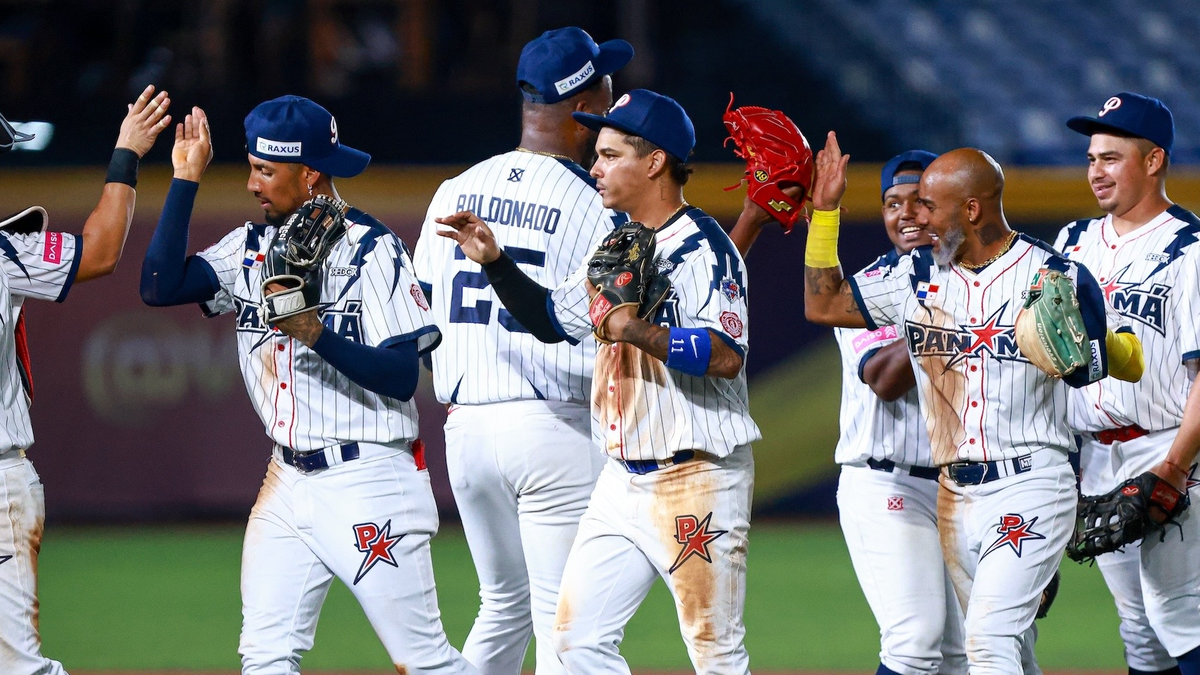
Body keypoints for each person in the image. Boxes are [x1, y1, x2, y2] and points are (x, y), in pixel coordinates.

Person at [138, 97, 476, 675]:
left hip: (369, 478)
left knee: (425, 663)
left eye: (266, 171)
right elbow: (158, 284)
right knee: (265, 657)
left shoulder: (372, 248)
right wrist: (185, 179)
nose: (251, 184)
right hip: (287, 480)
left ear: (310, 173)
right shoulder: (251, 249)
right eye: (250, 167)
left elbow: (400, 376)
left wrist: (314, 332)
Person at [436, 89, 758, 674]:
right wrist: (495, 262)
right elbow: (551, 321)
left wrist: (634, 331)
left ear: (655, 161)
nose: (595, 166)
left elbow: (724, 354)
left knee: (715, 655)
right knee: (575, 642)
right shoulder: (619, 245)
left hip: (696, 475)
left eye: (610, 154)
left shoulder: (705, 246)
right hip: (621, 482)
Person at [801, 141, 1141, 674]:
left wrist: (1108, 354)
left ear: (972, 209)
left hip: (1031, 480)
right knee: (998, 651)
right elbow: (823, 304)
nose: (919, 218)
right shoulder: (918, 275)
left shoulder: (1054, 276)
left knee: (988, 641)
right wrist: (823, 216)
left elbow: (1102, 365)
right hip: (954, 493)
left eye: (931, 205)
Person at [410, 27, 631, 675]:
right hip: (552, 426)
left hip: (467, 431)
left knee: (504, 605)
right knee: (570, 623)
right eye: (606, 83)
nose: (616, 93)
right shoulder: (596, 203)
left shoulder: (454, 190)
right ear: (583, 100)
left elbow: (420, 310)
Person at [735, 150, 970, 675]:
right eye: (892, 203)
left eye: (921, 202)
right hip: (889, 485)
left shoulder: (983, 280)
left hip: (963, 486)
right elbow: (885, 380)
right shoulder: (865, 289)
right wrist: (957, 314)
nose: (906, 214)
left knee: (972, 656)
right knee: (914, 641)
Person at [1, 86, 171, 675]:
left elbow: (97, 253)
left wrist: (126, 154)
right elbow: (99, 251)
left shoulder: (6, 254)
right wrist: (125, 154)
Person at [1056, 91, 1200, 675]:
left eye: (1112, 158)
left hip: (1168, 448)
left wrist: (1174, 466)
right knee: (1139, 630)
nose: (1096, 171)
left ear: (1153, 160)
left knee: (1181, 615)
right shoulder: (1070, 243)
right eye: (1092, 158)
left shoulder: (1190, 249)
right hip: (1094, 457)